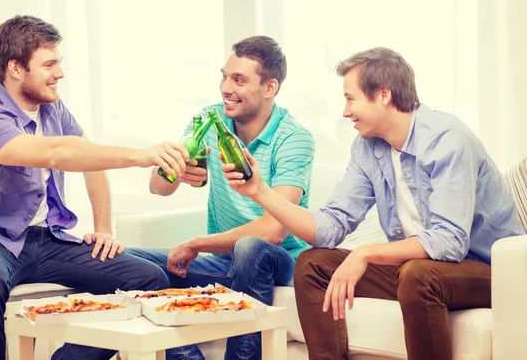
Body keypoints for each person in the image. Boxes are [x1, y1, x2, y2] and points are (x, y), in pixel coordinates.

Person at [221, 47, 525, 360]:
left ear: (382, 95)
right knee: (313, 265)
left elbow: (449, 242)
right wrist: (259, 191)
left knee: (417, 276)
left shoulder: (447, 140)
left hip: (492, 271)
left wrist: (365, 253)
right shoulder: (368, 148)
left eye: (350, 98)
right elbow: (331, 225)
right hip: (420, 269)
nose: (345, 111)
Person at [0, 15, 191, 360]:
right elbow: (55, 154)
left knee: (149, 280)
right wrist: (138, 155)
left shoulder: (54, 110)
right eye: (49, 64)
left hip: (46, 240)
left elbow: (91, 160)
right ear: (16, 68)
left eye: (60, 62)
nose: (60, 73)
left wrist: (103, 228)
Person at [126, 36, 315, 359]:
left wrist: (197, 243)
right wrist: (175, 169)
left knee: (251, 248)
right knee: (124, 263)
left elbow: (274, 231)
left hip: (279, 263)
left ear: (269, 87)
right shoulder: (211, 120)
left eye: (239, 80)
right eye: (224, 76)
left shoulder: (294, 139)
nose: (225, 88)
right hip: (224, 262)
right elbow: (158, 188)